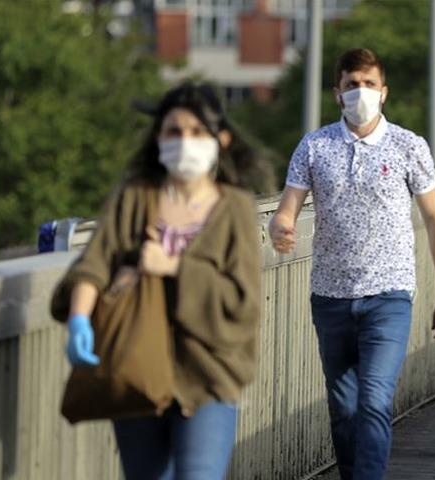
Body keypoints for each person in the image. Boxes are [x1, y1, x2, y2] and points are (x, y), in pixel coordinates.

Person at [55, 82, 275, 479]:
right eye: (174, 132)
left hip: (209, 373)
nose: (184, 142)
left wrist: (173, 267)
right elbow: (94, 264)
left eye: (196, 133)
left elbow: (242, 301)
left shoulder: (235, 208)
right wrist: (79, 320)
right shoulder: (136, 197)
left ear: (220, 140)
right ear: (158, 138)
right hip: (137, 364)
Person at [269, 48, 435, 480]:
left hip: (389, 296)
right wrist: (280, 228)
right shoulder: (315, 147)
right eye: (352, 85)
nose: (361, 93)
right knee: (344, 408)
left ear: (384, 92)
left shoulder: (409, 146)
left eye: (369, 84)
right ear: (337, 92)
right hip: (330, 297)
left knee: (374, 400)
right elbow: (286, 209)